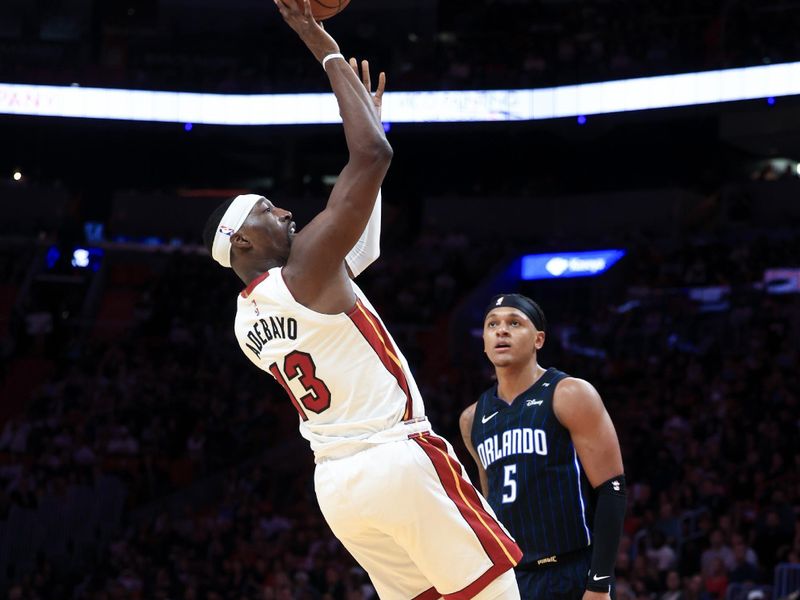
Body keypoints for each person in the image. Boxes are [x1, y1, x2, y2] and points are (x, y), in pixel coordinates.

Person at [201, 1, 522, 598]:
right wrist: (321, 43)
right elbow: (371, 158)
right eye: (270, 211)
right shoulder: (301, 271)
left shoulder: (248, 318)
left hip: (338, 488)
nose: (288, 211)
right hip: (395, 460)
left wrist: (374, 127)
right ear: (244, 240)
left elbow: (358, 254)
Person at [460, 293, 626, 600]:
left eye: (514, 323)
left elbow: (612, 488)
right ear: (483, 341)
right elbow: (491, 506)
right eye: (492, 324)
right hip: (514, 579)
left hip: (572, 571)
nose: (502, 331)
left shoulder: (570, 393)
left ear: (539, 339)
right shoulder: (472, 418)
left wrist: (599, 583)